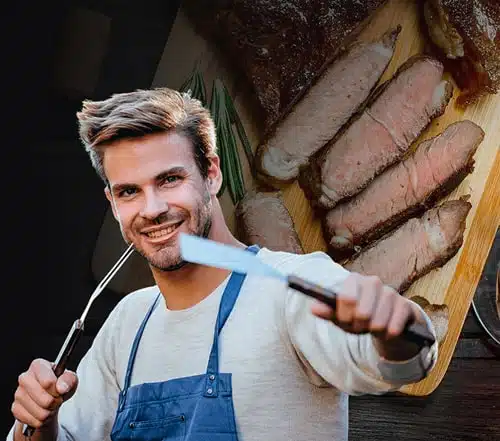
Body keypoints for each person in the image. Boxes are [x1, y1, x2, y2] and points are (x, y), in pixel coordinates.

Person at [7, 87, 438, 441]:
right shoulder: (127, 323)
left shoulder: (290, 285)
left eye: (169, 179)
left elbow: (403, 361)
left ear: (211, 174)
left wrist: (396, 326)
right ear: (113, 204)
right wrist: (39, 424)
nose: (152, 209)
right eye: (128, 192)